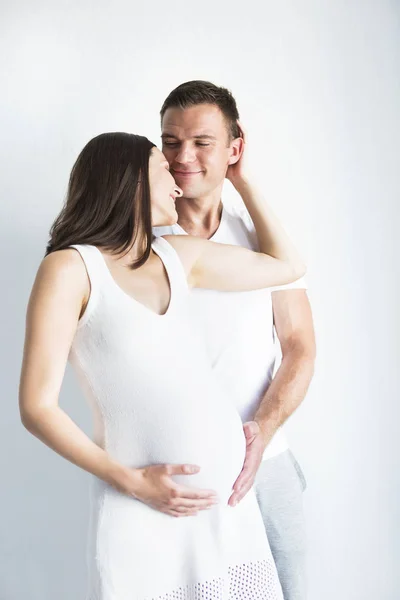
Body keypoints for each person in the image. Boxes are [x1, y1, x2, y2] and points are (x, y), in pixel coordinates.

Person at [19, 131, 305, 600]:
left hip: (228, 515)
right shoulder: (70, 269)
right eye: (161, 171)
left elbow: (288, 265)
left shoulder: (179, 258)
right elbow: (37, 407)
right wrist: (130, 481)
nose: (176, 184)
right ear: (127, 182)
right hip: (145, 508)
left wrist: (243, 182)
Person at [154, 81, 316, 600]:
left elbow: (299, 345)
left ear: (234, 148)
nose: (184, 157)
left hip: (268, 468)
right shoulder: (138, 244)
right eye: (171, 142)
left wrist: (261, 432)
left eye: (202, 142)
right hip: (184, 478)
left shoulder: (265, 241)